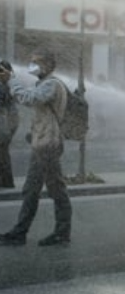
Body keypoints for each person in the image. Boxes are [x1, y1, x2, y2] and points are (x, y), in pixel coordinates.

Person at [0, 49, 73, 246]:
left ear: (48, 65)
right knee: (31, 190)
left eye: (36, 62)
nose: (31, 66)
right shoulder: (42, 84)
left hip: (48, 146)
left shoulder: (52, 84)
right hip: (41, 144)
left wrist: (11, 80)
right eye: (30, 62)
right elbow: (34, 104)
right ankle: (19, 233)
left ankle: (62, 233)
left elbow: (30, 99)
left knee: (57, 189)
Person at [0, 60, 19, 188]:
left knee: (3, 154)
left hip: (4, 125)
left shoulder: (3, 86)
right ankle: (6, 182)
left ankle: (6, 182)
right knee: (3, 154)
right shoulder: (5, 86)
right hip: (8, 124)